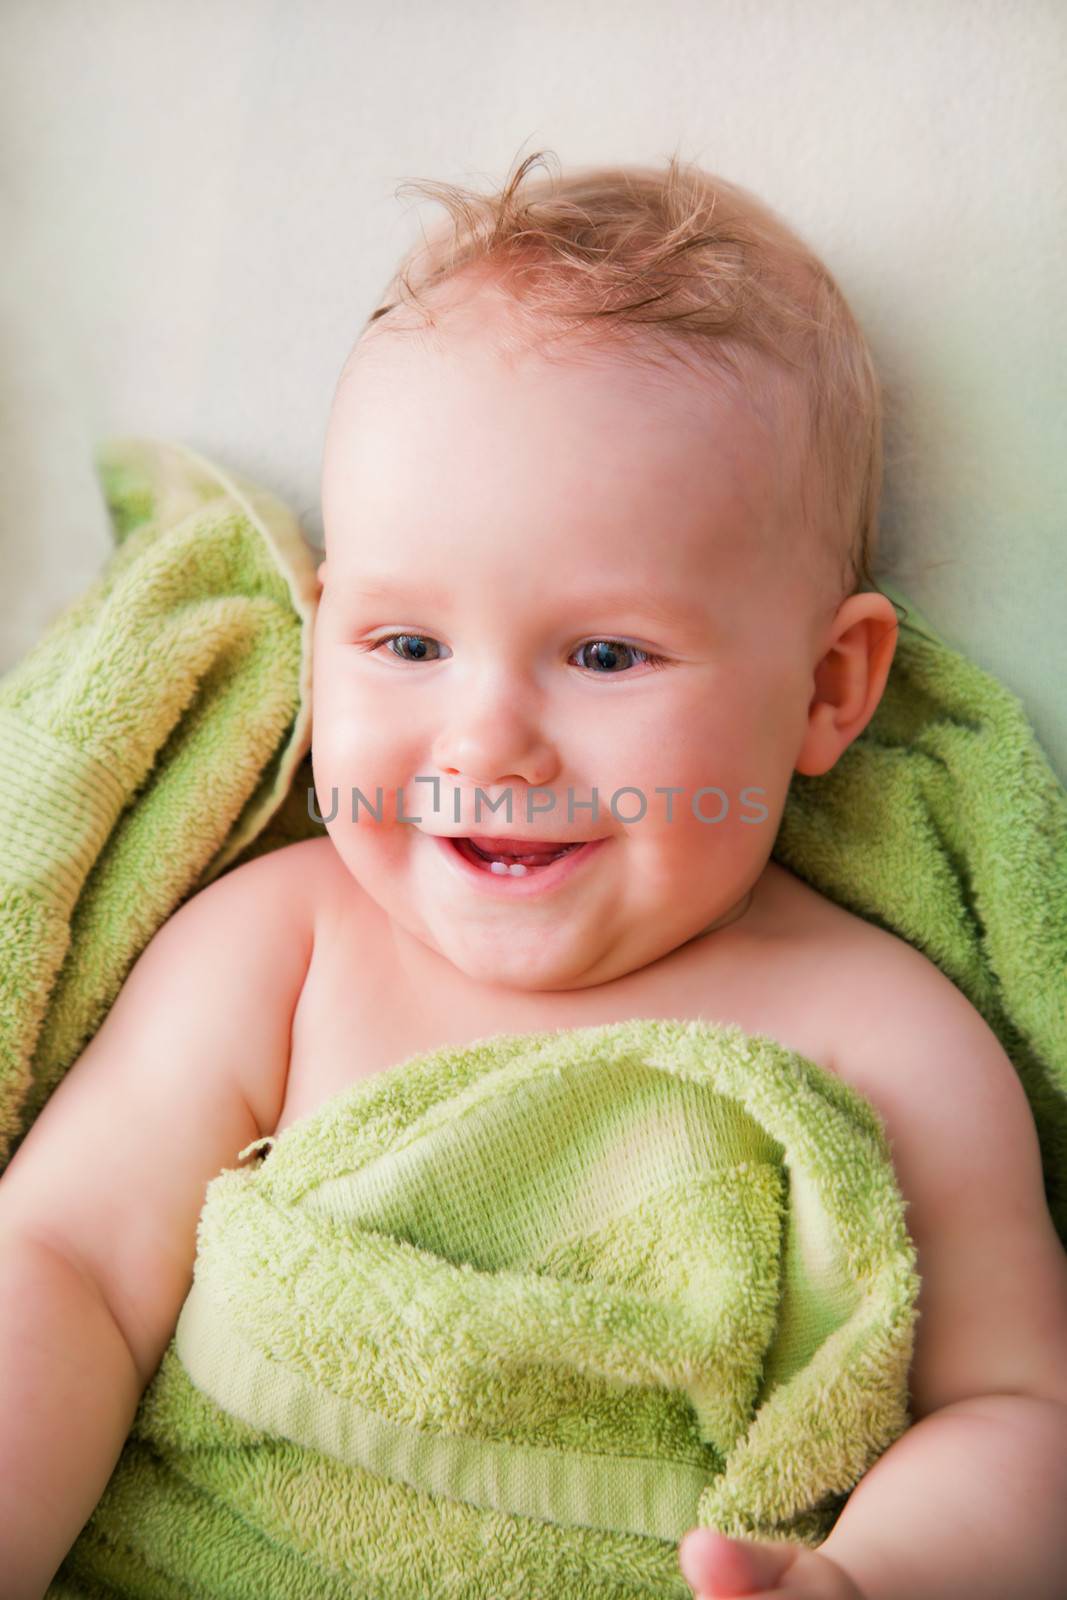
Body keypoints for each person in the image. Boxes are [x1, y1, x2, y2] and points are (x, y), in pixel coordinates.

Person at [2, 150, 1066, 1600]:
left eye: (606, 655)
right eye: (407, 644)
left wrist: (866, 1578)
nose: (485, 740)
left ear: (828, 689)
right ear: (321, 635)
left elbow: (1018, 1417)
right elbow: (59, 1263)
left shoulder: (884, 1041)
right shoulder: (280, 947)